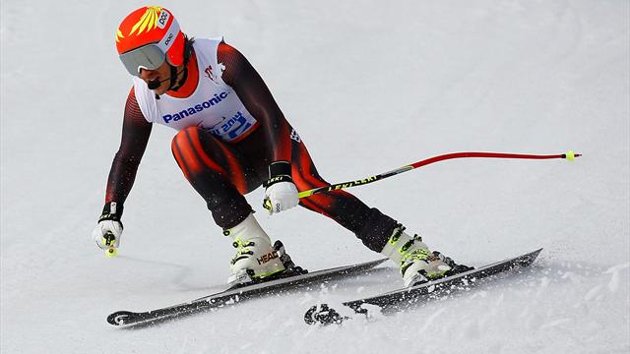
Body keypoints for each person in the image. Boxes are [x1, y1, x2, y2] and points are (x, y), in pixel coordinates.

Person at [92, 5, 469, 287]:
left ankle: (414, 253)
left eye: (148, 58)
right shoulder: (142, 98)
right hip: (232, 166)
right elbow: (127, 156)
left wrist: (281, 173)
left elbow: (271, 114)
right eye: (131, 63)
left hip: (273, 147)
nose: (143, 72)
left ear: (173, 48)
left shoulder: (219, 59)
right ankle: (259, 252)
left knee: (313, 193)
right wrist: (111, 213)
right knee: (184, 144)